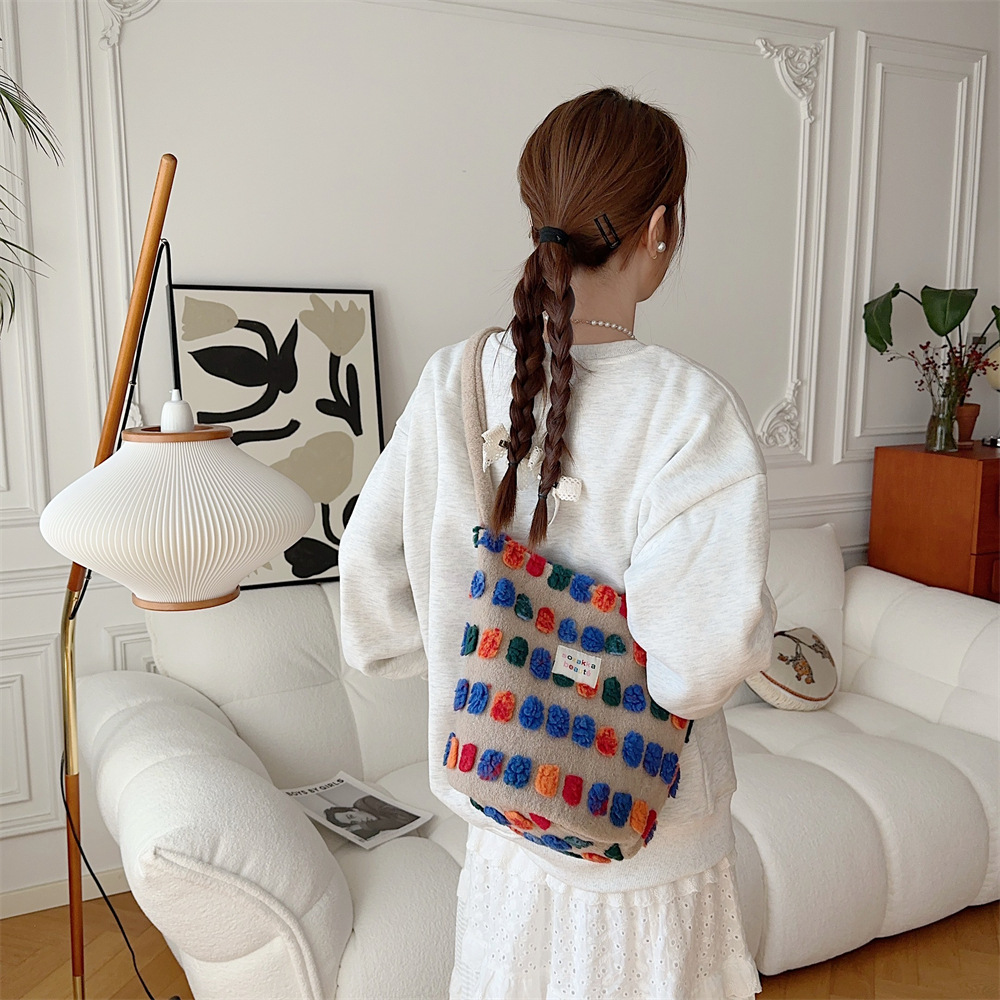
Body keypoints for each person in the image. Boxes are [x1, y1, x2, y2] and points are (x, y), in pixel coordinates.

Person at [339, 86, 774, 1000]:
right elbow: (695, 671)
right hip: (649, 843)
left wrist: (478, 657)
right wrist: (757, 616)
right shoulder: (691, 412)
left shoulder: (454, 379)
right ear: (661, 227)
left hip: (500, 820)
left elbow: (370, 596)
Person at [324, 794, 419, 839]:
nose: (360, 821)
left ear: (354, 810)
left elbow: (406, 819)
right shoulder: (365, 825)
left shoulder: (367, 802)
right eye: (354, 823)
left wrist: (369, 825)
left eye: (351, 816)